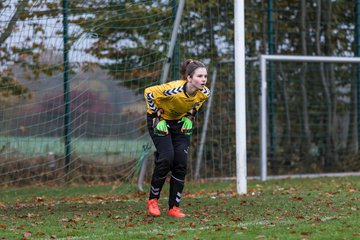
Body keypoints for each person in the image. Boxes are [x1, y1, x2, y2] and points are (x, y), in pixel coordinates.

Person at [144, 59, 210, 218]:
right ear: (189, 78)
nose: (203, 80)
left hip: (179, 123)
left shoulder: (205, 93)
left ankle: (174, 207)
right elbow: (149, 93)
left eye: (205, 76)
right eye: (199, 76)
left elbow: (195, 105)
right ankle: (153, 200)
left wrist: (189, 116)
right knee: (167, 158)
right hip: (159, 121)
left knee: (181, 162)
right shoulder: (173, 89)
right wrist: (156, 117)